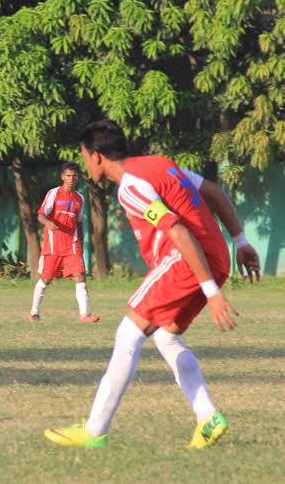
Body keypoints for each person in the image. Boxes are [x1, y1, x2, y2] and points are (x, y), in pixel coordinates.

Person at [45, 120, 261, 449]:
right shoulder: (160, 164)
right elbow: (214, 192)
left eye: (85, 157)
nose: (85, 164)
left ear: (97, 156)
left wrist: (212, 294)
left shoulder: (130, 186)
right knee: (167, 338)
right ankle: (208, 417)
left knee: (127, 334)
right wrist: (240, 240)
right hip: (215, 257)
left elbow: (178, 232)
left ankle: (94, 430)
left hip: (185, 260)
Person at [30, 162, 99, 324]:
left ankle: (85, 314)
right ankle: (34, 311)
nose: (71, 179)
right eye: (68, 175)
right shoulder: (53, 194)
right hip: (53, 245)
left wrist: (80, 243)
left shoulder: (79, 198)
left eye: (74, 176)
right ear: (62, 176)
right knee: (46, 279)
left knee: (80, 275)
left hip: (72, 245)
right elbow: (40, 215)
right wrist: (47, 223)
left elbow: (79, 222)